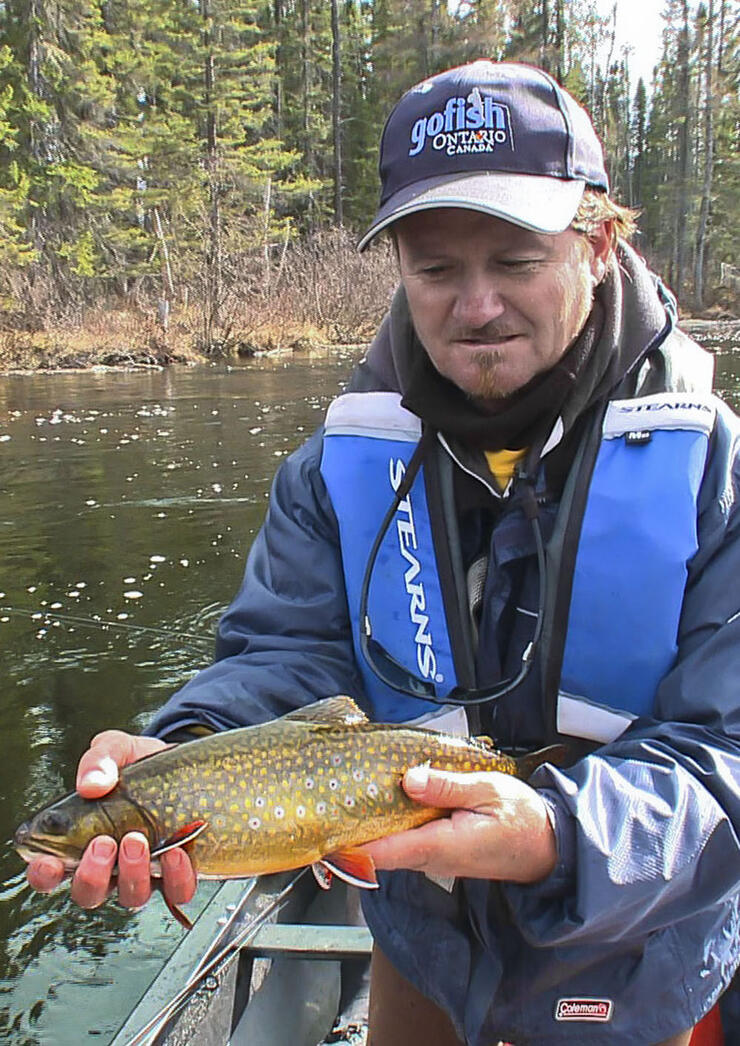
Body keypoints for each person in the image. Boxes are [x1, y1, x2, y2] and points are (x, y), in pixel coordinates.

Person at [27, 61, 740, 1046]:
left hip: (627, 956)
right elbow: (287, 661)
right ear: (399, 269)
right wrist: (188, 745)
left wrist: (556, 833)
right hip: (422, 940)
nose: (475, 303)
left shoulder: (714, 474)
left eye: (515, 257)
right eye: (437, 268)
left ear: (597, 243)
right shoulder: (333, 469)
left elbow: (726, 760)